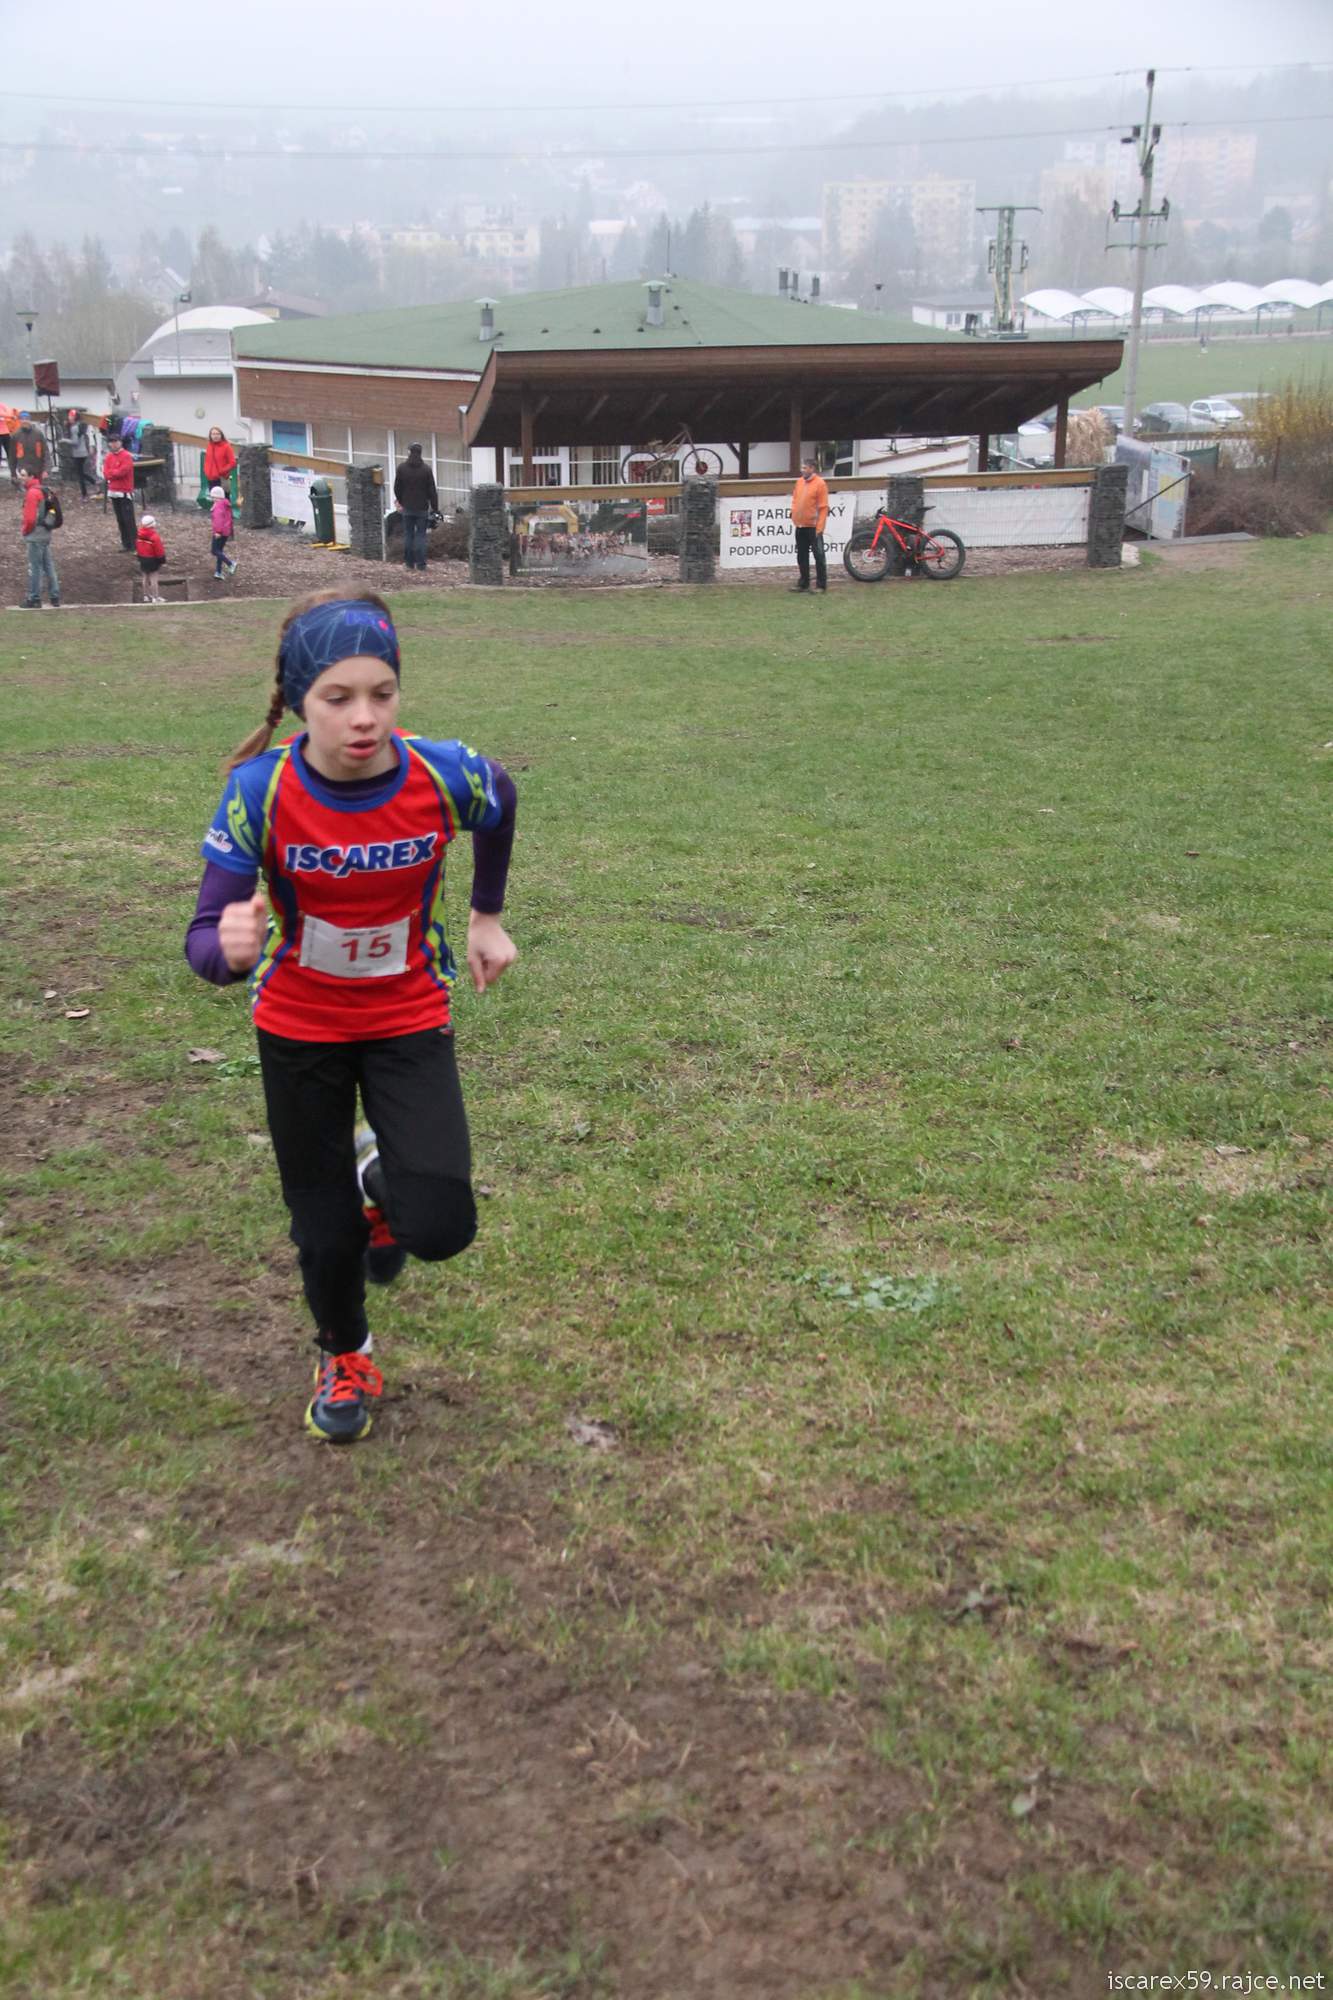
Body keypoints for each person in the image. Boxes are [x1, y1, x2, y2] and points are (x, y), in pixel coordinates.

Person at [185, 590, 519, 1444]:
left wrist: (485, 916)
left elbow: (501, 798)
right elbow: (204, 941)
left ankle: (380, 1181)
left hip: (408, 1015)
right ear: (301, 700)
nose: (364, 717)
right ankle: (345, 1352)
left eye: (382, 692)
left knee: (438, 1227)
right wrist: (227, 950)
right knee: (324, 1235)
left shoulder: (442, 773)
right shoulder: (259, 792)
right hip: (299, 1029)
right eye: (338, 698)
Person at [393, 443, 438, 574]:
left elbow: (397, 488)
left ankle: (409, 563)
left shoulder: (402, 468)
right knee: (421, 536)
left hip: (407, 507)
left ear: (409, 452)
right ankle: (421, 564)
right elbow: (432, 491)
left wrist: (402, 501)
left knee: (408, 535)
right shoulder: (426, 470)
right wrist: (435, 508)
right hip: (422, 508)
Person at [19, 468, 61, 608]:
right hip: (45, 533)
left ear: (31, 476)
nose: (21, 477)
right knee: (48, 565)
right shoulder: (44, 490)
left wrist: (25, 531)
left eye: (23, 475)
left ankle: (34, 598)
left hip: (35, 535)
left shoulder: (32, 493)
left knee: (35, 567)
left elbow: (30, 519)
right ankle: (55, 596)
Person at [789, 456, 829, 594]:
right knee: (802, 556)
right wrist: (793, 514)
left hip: (814, 526)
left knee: (819, 556)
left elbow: (823, 507)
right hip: (800, 525)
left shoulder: (820, 484)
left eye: (805, 468)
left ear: (812, 468)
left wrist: (820, 527)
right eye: (802, 467)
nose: (802, 470)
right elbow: (795, 499)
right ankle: (803, 583)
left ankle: (821, 585)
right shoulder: (799, 482)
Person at [104, 436, 137, 550]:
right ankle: (125, 543)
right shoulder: (109, 457)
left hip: (125, 491)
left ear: (120, 442)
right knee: (120, 519)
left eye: (115, 441)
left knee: (128, 519)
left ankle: (134, 544)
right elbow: (106, 473)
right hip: (114, 491)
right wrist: (114, 473)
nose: (113, 444)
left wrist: (112, 473)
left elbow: (123, 471)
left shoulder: (126, 456)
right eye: (111, 442)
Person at [136, 513, 167, 602]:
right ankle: (155, 597)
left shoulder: (138, 534)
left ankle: (146, 596)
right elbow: (159, 550)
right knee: (153, 579)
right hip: (152, 560)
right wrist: (162, 559)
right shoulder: (154, 536)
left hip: (142, 558)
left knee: (145, 577)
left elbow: (137, 546)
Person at [67, 409, 98, 500]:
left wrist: (64, 441)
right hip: (83, 452)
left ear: (74, 417)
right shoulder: (81, 425)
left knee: (80, 475)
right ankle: (94, 482)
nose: (69, 418)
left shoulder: (74, 428)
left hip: (78, 454)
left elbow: (75, 442)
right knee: (80, 473)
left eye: (70, 416)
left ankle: (84, 494)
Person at [209, 484, 238, 579]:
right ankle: (218, 572)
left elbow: (218, 520)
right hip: (225, 532)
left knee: (214, 550)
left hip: (219, 532)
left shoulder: (218, 506)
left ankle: (230, 564)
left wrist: (218, 531)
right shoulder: (225, 504)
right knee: (219, 551)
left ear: (218, 497)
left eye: (213, 497)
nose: (212, 499)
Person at [204, 426, 237, 493]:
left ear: (221, 435)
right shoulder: (209, 446)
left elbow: (232, 463)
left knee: (224, 498)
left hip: (222, 478)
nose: (215, 436)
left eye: (218, 434)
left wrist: (222, 471)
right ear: (210, 436)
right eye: (213, 434)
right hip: (211, 479)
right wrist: (206, 471)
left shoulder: (226, 446)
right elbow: (207, 461)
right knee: (214, 498)